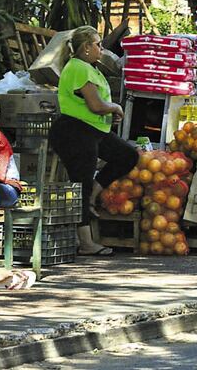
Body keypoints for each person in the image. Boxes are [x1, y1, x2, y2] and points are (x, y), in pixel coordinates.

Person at [48, 26, 139, 256]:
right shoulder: (78, 67)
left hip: (94, 130)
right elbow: (96, 105)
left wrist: (109, 114)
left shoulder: (90, 68)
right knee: (81, 182)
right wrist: (115, 107)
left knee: (127, 155)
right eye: (98, 44)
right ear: (86, 47)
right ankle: (86, 242)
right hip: (75, 132)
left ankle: (93, 195)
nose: (102, 48)